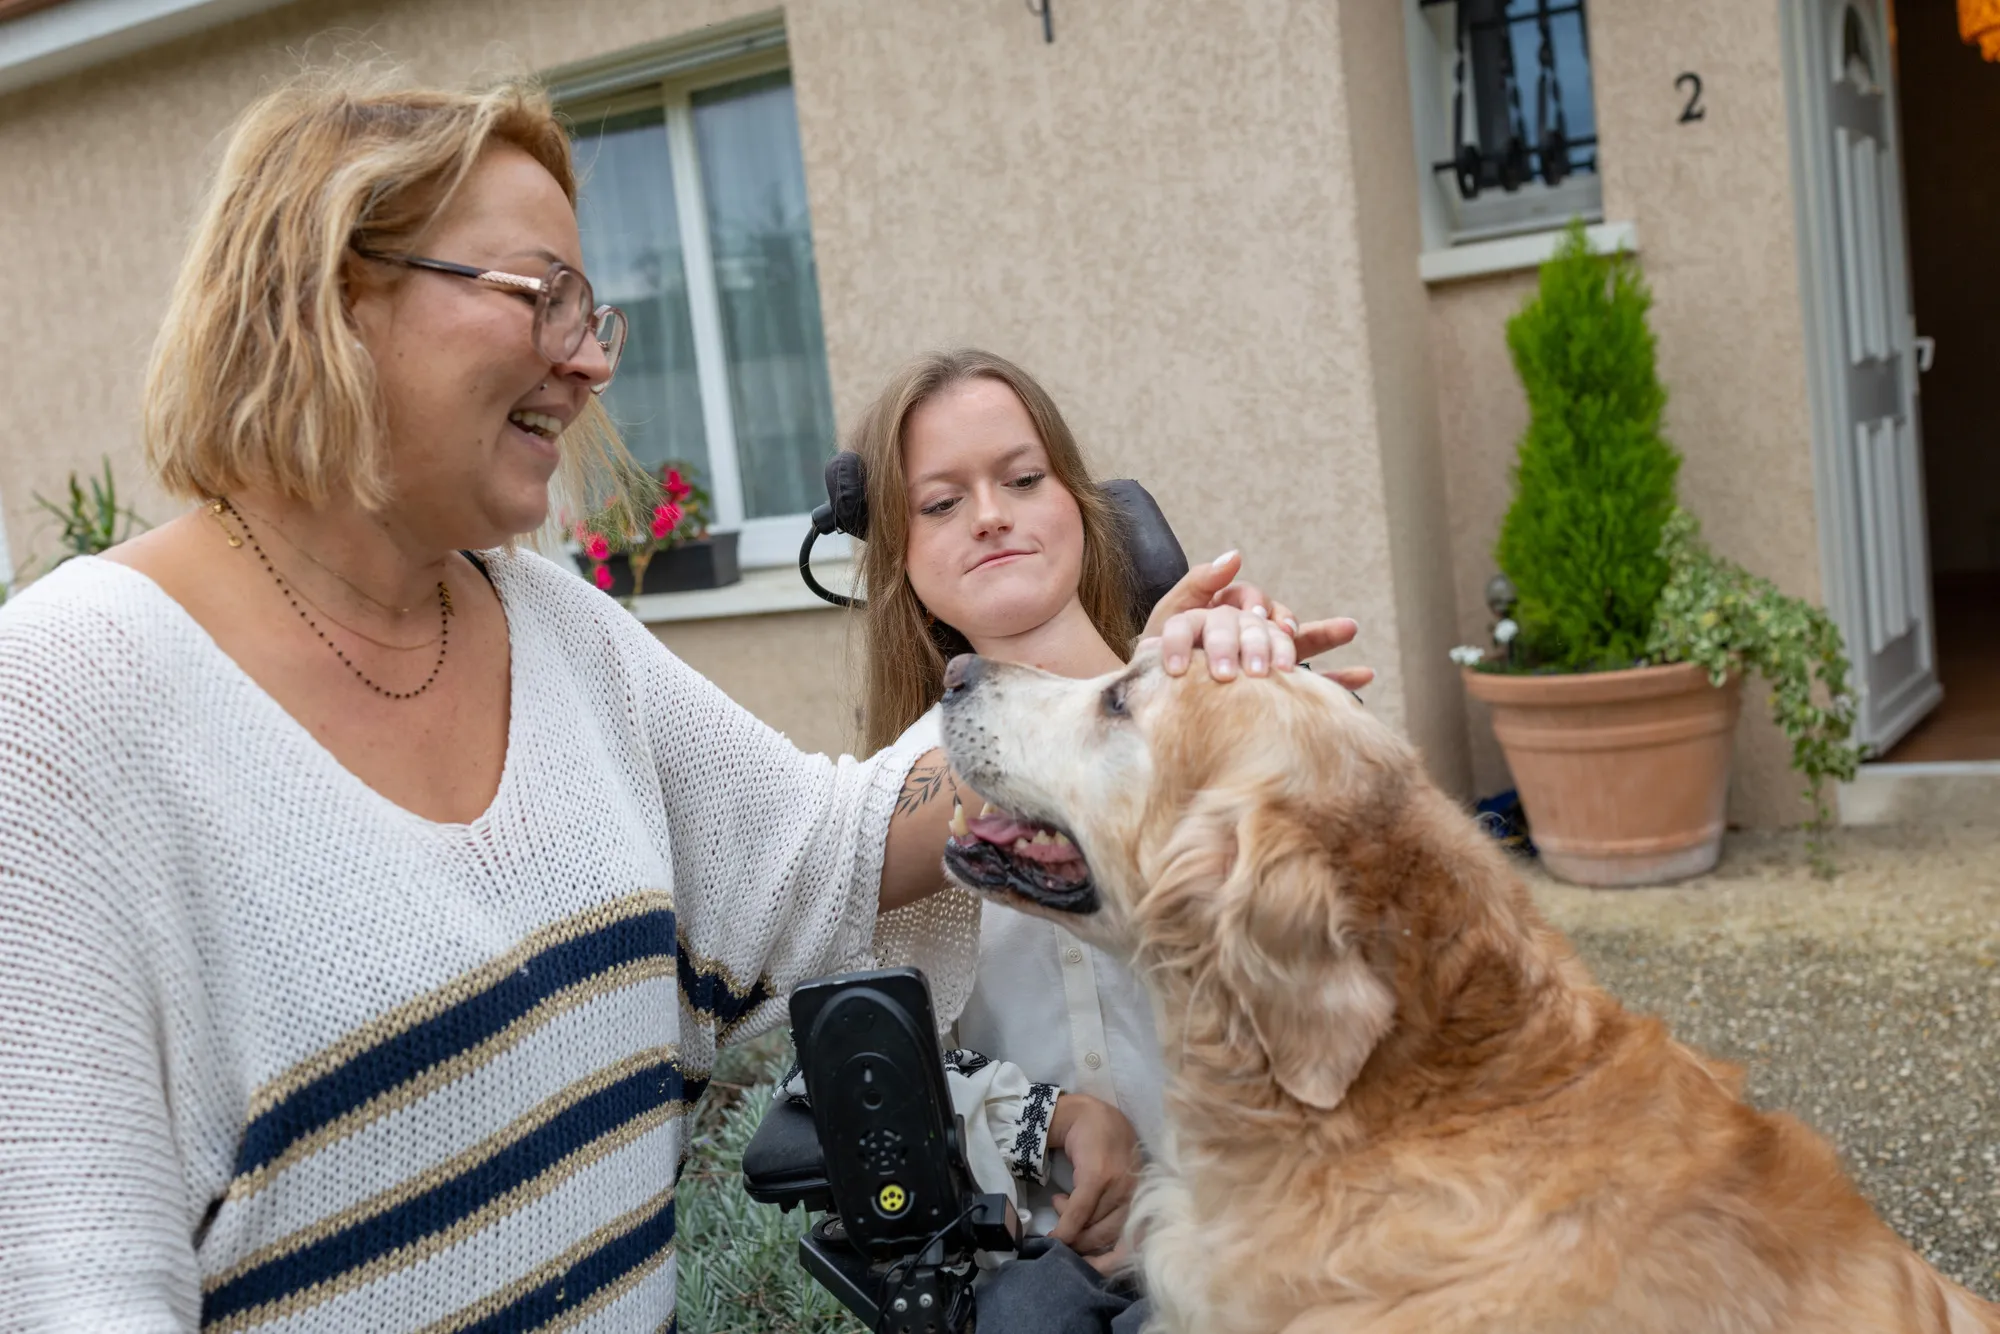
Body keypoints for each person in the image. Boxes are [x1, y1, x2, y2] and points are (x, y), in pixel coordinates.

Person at [0, 74, 1339, 1331]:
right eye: (544, 297)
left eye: (595, 315)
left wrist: (1138, 705)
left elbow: (830, 843)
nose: (590, 363)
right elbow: (75, 1284)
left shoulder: (560, 633)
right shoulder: (63, 703)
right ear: (335, 293)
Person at [852, 349, 1374, 1330]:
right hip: (1052, 1263)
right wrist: (1041, 1115)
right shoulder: (889, 812)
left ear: (1082, 510)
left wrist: (1250, 703)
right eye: (939, 503)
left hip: (1277, 1238)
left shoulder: (1213, 698)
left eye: (1019, 478)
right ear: (902, 561)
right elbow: (860, 1063)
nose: (991, 515)